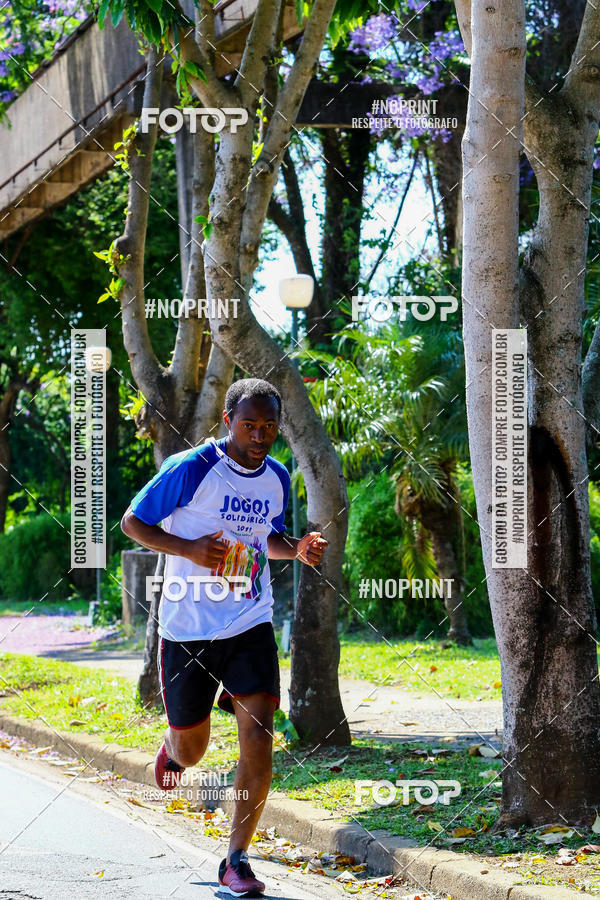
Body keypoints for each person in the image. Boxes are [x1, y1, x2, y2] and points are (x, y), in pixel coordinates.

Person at [120, 377, 328, 897]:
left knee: (258, 735)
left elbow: (270, 540)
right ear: (228, 422)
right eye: (249, 424)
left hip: (249, 620)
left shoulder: (277, 477)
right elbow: (133, 523)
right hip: (188, 628)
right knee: (193, 751)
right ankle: (172, 751)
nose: (260, 435)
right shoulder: (191, 468)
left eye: (269, 426)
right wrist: (188, 549)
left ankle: (236, 859)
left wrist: (296, 548)